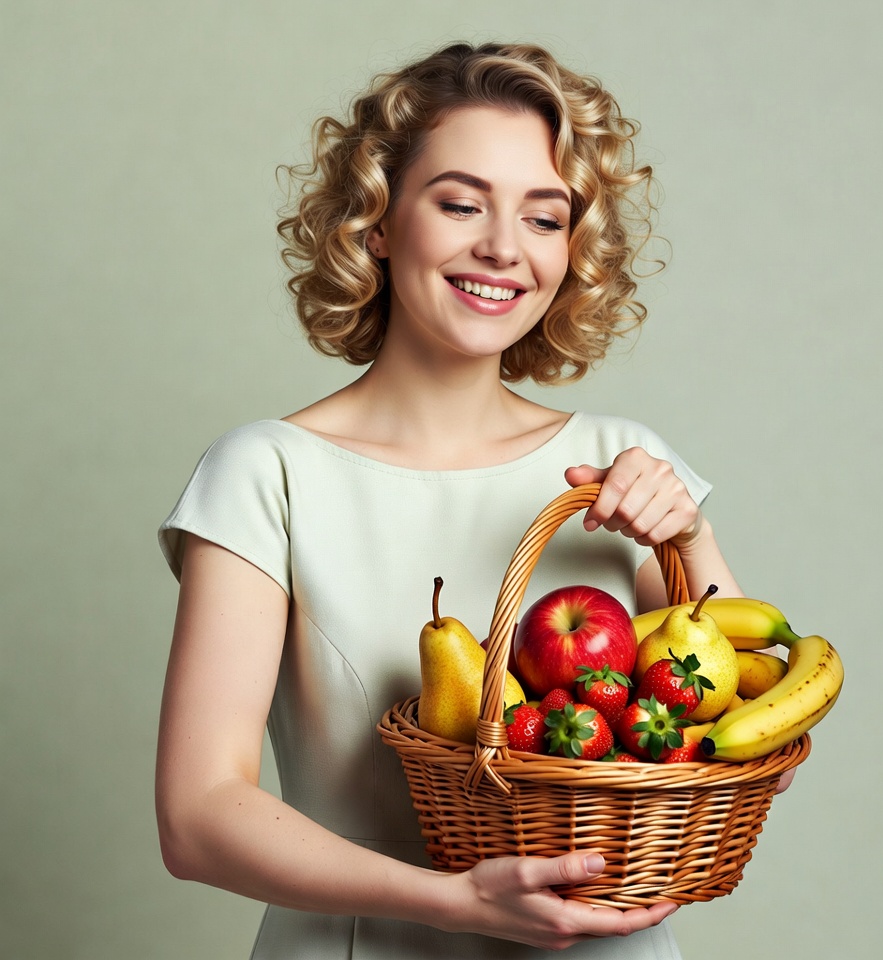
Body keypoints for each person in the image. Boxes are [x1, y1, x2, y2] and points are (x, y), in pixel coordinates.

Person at [156, 41, 744, 959]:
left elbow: (748, 763)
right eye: (461, 203)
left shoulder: (617, 465)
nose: (503, 248)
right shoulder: (267, 472)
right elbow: (197, 817)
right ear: (379, 222)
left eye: (545, 219)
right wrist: (456, 901)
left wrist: (690, 532)